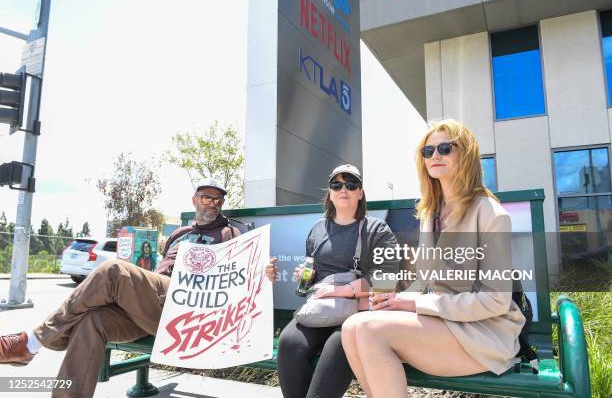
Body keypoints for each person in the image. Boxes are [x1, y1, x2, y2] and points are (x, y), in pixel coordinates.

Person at [0, 178, 243, 398]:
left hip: (184, 310)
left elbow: (241, 276)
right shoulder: (179, 234)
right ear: (195, 200)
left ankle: (32, 342)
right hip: (149, 309)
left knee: (113, 270)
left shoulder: (229, 233)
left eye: (218, 199)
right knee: (93, 321)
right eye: (206, 197)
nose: (213, 203)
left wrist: (264, 272)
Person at [341, 119, 526, 398]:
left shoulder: (491, 214)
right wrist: (392, 299)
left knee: (368, 330)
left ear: (465, 154)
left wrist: (413, 302)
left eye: (444, 148)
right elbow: (425, 281)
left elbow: (495, 300)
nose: (435, 156)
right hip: (444, 322)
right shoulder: (431, 213)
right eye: (428, 151)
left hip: (484, 333)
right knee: (352, 327)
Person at [265, 164, 399, 398]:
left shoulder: (378, 230)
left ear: (360, 192)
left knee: (336, 349)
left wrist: (343, 290)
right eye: (336, 185)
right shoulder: (318, 229)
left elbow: (386, 280)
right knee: (288, 343)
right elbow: (308, 280)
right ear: (330, 192)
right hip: (320, 309)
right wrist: (306, 277)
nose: (343, 189)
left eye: (351, 184)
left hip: (356, 314)